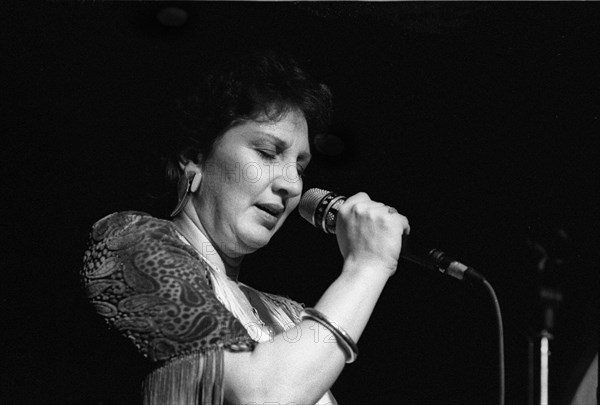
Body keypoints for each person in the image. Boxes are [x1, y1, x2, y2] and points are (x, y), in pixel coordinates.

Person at [81, 50, 410, 405]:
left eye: (300, 167)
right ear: (195, 157)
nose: (293, 185)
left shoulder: (288, 315)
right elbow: (263, 396)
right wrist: (367, 265)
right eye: (268, 153)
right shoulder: (128, 243)